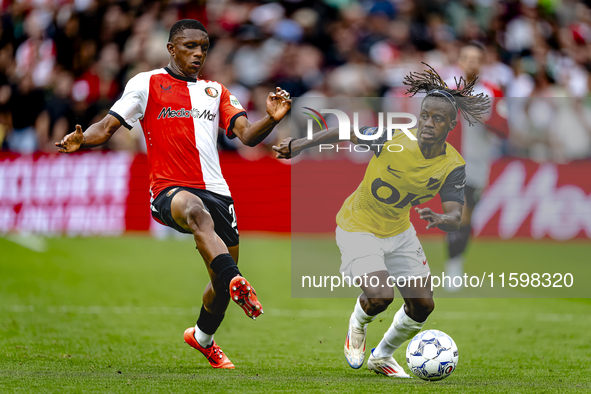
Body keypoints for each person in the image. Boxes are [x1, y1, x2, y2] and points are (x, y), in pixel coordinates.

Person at [56, 19, 291, 369]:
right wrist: (81, 139)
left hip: (218, 193)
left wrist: (272, 119)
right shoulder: (147, 83)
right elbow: (106, 128)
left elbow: (247, 135)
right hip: (169, 190)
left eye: (204, 48)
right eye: (190, 47)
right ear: (171, 48)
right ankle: (237, 282)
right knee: (197, 214)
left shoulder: (216, 91)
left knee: (219, 286)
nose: (198, 53)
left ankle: (202, 337)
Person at [273, 64, 490, 377]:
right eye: (425, 115)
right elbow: (345, 131)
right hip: (358, 226)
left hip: (400, 231)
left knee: (423, 306)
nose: (428, 123)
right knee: (380, 297)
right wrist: (298, 144)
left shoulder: (453, 165)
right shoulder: (392, 137)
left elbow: (457, 216)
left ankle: (383, 355)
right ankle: (357, 325)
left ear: (451, 124)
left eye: (437, 118)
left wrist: (442, 218)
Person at [444, 43, 506, 290]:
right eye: (467, 57)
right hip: (449, 160)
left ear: (482, 63)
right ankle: (453, 268)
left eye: (476, 58)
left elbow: (504, 127)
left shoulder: (491, 91)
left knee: (469, 217)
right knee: (459, 212)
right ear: (459, 60)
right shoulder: (446, 88)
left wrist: (484, 117)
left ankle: (457, 258)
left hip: (479, 162)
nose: (471, 62)